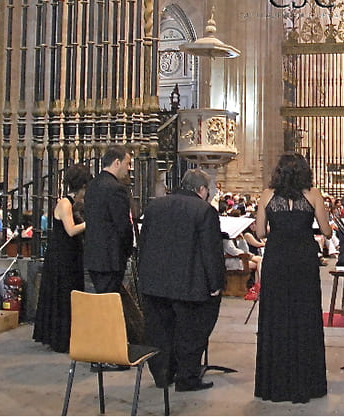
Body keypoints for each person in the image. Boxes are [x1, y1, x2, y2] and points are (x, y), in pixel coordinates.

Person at [137, 169, 225, 392]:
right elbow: (210, 251)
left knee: (159, 331)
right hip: (190, 285)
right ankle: (187, 378)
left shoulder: (155, 206)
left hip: (155, 283)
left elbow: (144, 244)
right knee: (191, 333)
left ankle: (163, 374)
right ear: (202, 189)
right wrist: (216, 284)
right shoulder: (204, 211)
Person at [254, 153, 332, 403]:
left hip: (276, 258)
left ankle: (275, 382)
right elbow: (326, 230)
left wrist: (279, 225)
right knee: (304, 314)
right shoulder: (313, 194)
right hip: (303, 259)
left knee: (276, 314)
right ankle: (306, 382)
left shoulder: (267, 195)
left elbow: (258, 232)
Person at [33, 164, 91, 353]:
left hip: (71, 256)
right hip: (61, 256)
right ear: (81, 185)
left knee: (71, 294)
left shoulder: (73, 204)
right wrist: (90, 224)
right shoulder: (64, 203)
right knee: (63, 294)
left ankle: (70, 335)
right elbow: (71, 230)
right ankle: (60, 338)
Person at [83, 145, 134, 294]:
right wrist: (128, 250)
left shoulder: (92, 185)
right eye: (127, 163)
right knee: (109, 304)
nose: (128, 168)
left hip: (94, 256)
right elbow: (122, 225)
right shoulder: (116, 188)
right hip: (111, 258)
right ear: (117, 162)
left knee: (101, 300)